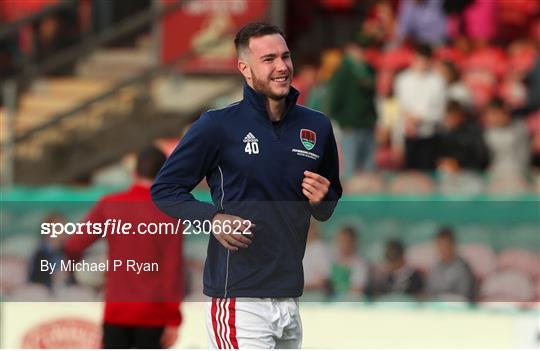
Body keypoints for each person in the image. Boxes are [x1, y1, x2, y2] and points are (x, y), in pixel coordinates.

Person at [151, 22, 342, 349]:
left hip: (289, 297)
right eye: (268, 59)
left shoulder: (317, 126)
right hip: (239, 299)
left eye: (285, 56)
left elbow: (326, 205)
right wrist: (211, 218)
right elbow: (165, 190)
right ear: (245, 68)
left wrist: (322, 199)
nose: (281, 67)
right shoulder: (217, 125)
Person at [64, 146, 183, 349]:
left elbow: (74, 245)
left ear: (134, 173)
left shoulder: (110, 204)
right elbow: (172, 271)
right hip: (152, 315)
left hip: (116, 310)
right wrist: (173, 319)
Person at [328, 34, 378, 175]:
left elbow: (372, 100)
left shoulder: (369, 70)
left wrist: (374, 120)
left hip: (368, 128)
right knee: (350, 172)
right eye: (359, 48)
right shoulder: (342, 72)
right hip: (351, 130)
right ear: (350, 49)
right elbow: (332, 103)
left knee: (369, 173)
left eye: (364, 48)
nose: (362, 52)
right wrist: (345, 123)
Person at [394, 44, 447, 170]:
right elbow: (399, 108)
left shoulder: (438, 81)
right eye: (418, 59)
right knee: (409, 177)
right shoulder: (402, 80)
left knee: (427, 176)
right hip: (407, 136)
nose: (421, 64)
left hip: (429, 136)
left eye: (425, 61)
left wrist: (422, 118)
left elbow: (440, 112)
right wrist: (397, 140)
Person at [436, 101, 489, 173]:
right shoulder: (442, 133)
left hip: (471, 174)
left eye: (454, 116)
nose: (451, 120)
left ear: (461, 116)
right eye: (449, 116)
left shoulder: (473, 133)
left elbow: (480, 158)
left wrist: (458, 164)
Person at [427, 227, 475, 302]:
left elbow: (465, 295)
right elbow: (430, 293)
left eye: (446, 245)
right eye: (440, 245)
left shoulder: (463, 268)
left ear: (453, 245)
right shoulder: (435, 267)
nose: (442, 249)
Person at [329, 226, 368, 298]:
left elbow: (358, 288)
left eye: (345, 241)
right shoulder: (333, 260)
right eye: (340, 241)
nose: (342, 244)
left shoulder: (359, 263)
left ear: (353, 242)